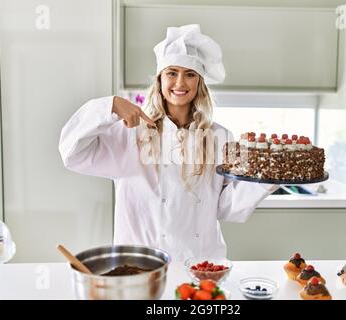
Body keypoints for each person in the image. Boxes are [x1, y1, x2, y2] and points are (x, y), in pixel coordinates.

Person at [59, 24, 275, 261]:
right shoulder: (131, 133)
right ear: (160, 80)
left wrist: (267, 179)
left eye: (190, 74)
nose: (180, 83)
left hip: (201, 265)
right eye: (172, 72)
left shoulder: (220, 137)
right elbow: (73, 154)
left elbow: (226, 208)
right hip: (141, 265)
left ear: (199, 83)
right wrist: (109, 106)